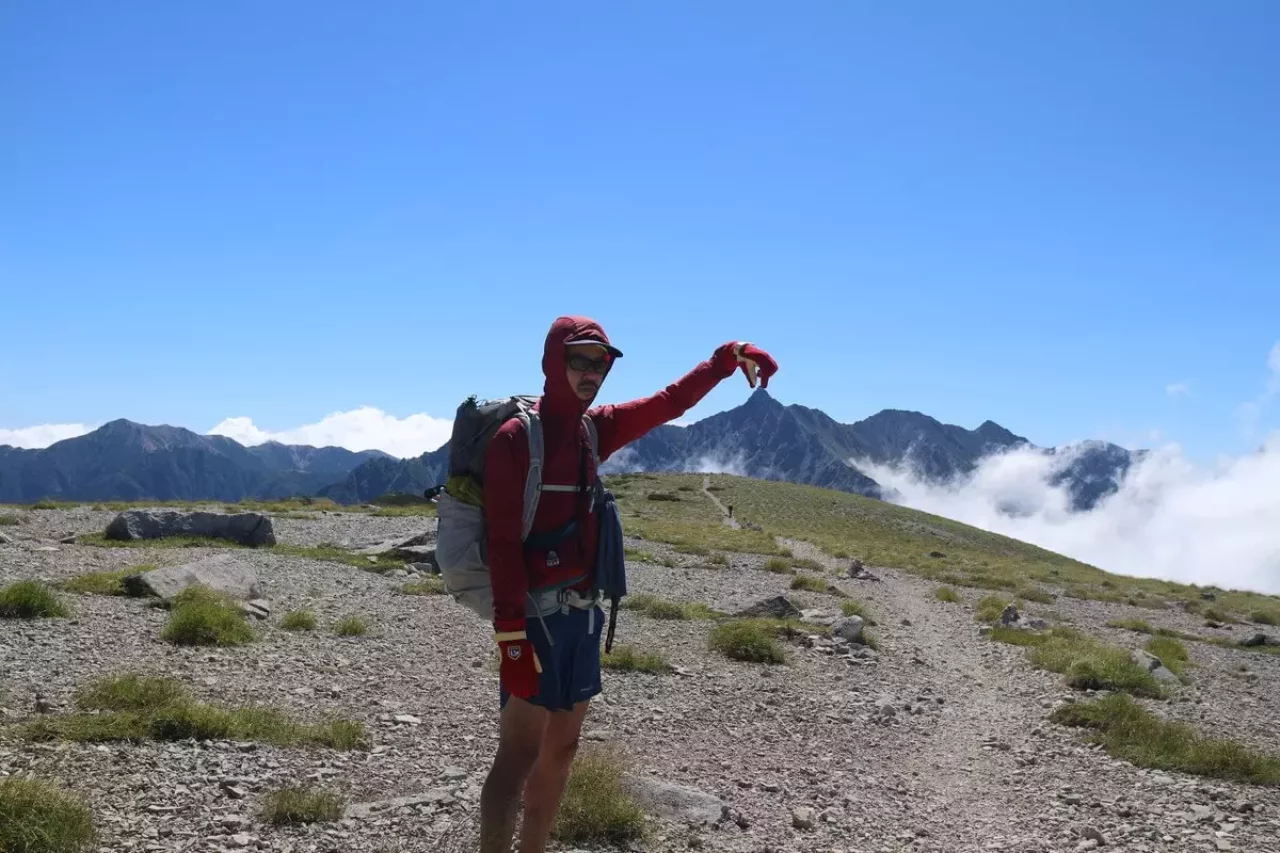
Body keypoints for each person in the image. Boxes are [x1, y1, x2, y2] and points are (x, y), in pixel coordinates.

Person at [477, 315, 777, 853]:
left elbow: (669, 402)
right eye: (580, 361)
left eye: (601, 363)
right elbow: (501, 544)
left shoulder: (595, 429)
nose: (592, 373)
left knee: (562, 750)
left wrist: (725, 358)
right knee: (518, 754)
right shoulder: (514, 440)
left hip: (583, 614)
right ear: (553, 362)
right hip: (534, 618)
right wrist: (510, 636)